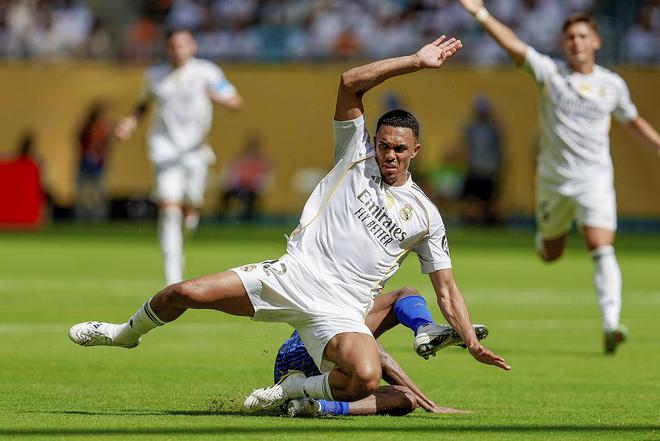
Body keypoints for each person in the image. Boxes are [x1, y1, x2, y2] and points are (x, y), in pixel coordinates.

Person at [69, 36, 510, 414]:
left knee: (365, 375)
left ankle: (297, 389)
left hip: (342, 309)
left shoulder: (426, 215)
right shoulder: (354, 155)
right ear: (374, 142)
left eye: (399, 149)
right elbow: (349, 82)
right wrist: (415, 61)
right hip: (292, 275)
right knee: (182, 292)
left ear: (415, 151)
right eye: (383, 145)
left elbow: (446, 288)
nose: (389, 155)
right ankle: (124, 335)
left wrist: (471, 341)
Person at [456, 1, 660, 353]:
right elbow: (514, 46)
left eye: (582, 36)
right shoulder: (550, 74)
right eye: (570, 37)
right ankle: (545, 238)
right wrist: (481, 14)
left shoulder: (612, 84)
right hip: (553, 183)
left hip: (595, 181)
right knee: (551, 253)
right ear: (563, 43)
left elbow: (632, 120)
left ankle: (611, 323)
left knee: (602, 246)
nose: (576, 42)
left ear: (596, 41)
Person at [114, 28, 244, 285]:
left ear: (193, 46)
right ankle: (172, 278)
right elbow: (142, 105)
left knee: (191, 204)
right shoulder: (154, 75)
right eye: (173, 46)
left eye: (182, 45)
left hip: (195, 152)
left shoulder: (207, 72)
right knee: (169, 209)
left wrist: (222, 100)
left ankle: (190, 217)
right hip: (165, 151)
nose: (178, 50)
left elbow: (236, 100)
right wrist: (130, 123)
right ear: (167, 48)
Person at [272, 286, 489, 417]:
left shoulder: (342, 296)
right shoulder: (350, 310)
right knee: (405, 293)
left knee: (405, 396)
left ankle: (309, 405)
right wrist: (431, 406)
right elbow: (382, 359)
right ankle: (319, 406)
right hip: (306, 359)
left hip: (293, 364)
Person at [460, 95, 503, 225]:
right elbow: (466, 147)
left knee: (487, 199)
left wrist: (499, 168)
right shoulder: (471, 128)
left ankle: (486, 220)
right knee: (472, 198)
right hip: (474, 168)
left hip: (488, 170)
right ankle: (472, 220)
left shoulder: (493, 129)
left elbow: (498, 151)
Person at [219, 133, 271, 222]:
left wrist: (252, 183)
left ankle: (248, 219)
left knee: (249, 198)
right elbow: (232, 172)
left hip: (251, 189)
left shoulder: (261, 162)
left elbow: (263, 177)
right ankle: (221, 217)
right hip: (238, 187)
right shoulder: (240, 159)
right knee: (225, 196)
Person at [75, 100, 112, 221]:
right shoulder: (86, 127)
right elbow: (79, 140)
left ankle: (99, 217)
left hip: (98, 165)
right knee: (82, 193)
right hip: (85, 164)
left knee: (99, 192)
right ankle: (81, 217)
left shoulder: (103, 129)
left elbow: (107, 146)